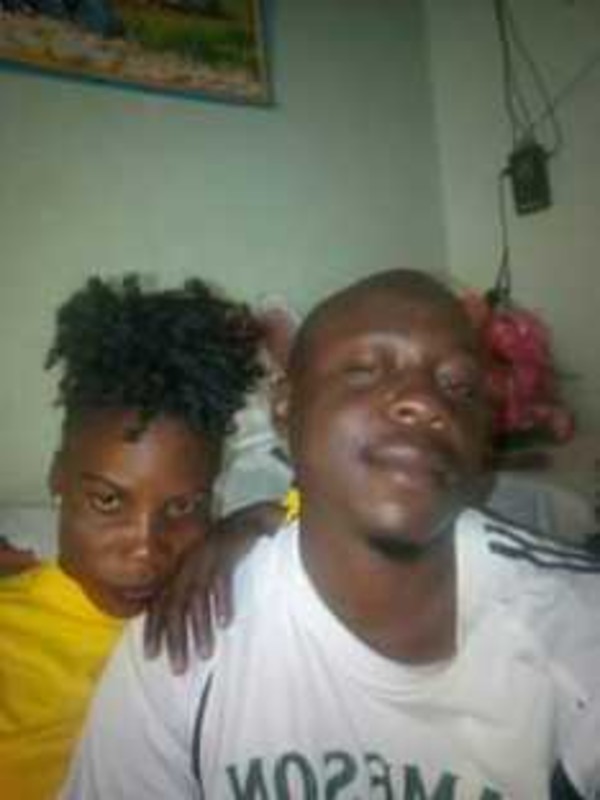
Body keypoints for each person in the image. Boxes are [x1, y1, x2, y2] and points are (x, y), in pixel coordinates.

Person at [62, 269, 600, 799]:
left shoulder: (577, 625)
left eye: (458, 386)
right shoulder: (187, 638)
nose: (426, 402)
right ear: (284, 408)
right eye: (365, 370)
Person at [0, 273, 265, 800]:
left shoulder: (218, 607)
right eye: (107, 500)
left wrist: (250, 523)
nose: (145, 550)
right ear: (58, 477)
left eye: (182, 507)